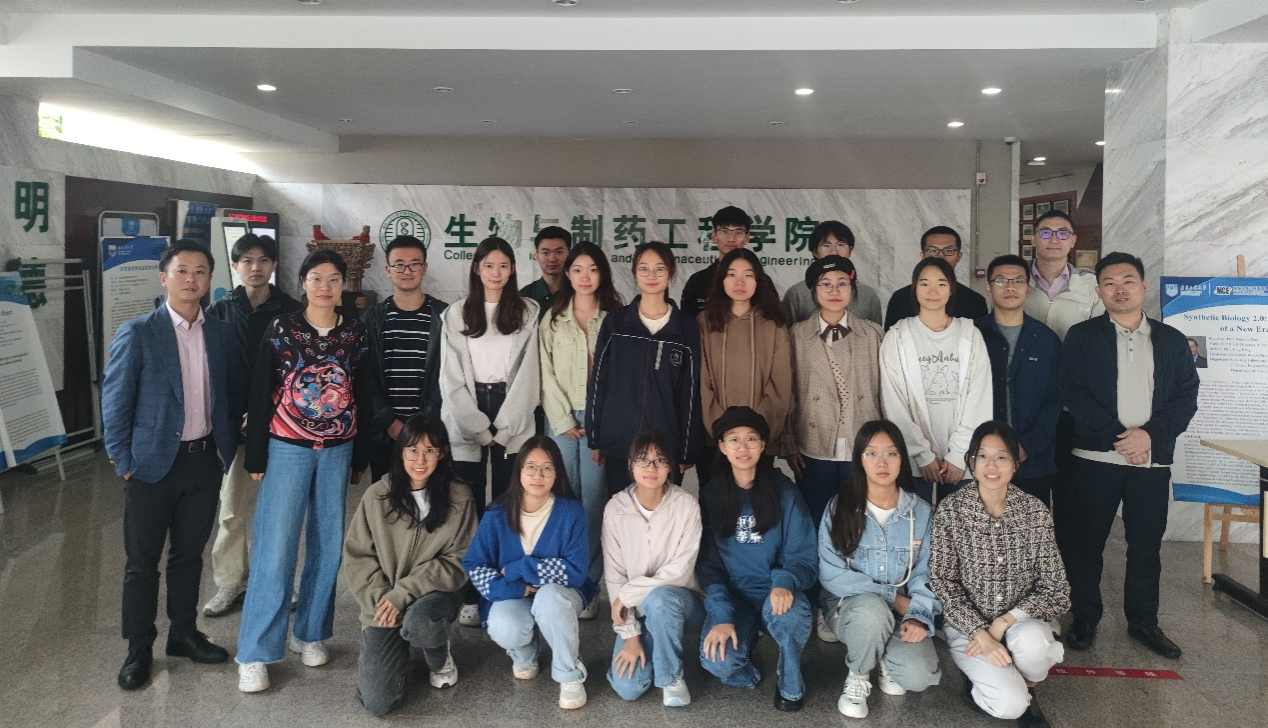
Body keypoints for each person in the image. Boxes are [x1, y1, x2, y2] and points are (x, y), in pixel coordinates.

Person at [103, 239, 244, 691]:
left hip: (204, 462)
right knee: (142, 562)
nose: (191, 279)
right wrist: (123, 460)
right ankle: (138, 646)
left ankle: (183, 633)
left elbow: (232, 395)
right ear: (164, 278)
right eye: (182, 271)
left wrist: (225, 450)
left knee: (188, 556)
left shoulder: (221, 334)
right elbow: (115, 401)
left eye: (200, 271)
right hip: (150, 465)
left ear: (210, 279)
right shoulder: (139, 332)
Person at [236, 249, 374, 693]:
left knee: (327, 544)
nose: (325, 287)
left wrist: (360, 456)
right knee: (275, 547)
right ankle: (256, 651)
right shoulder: (282, 329)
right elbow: (261, 389)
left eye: (334, 279)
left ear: (343, 286)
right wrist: (256, 455)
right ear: (302, 283)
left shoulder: (356, 332)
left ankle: (311, 633)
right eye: (316, 278)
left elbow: (364, 392)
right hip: (287, 448)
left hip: (337, 450)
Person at [1058, 252, 1199, 660]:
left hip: (1151, 463)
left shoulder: (1171, 339)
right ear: (1099, 290)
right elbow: (1072, 392)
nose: (1119, 290)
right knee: (1086, 546)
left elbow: (1186, 396)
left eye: (1128, 281)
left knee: (1146, 547)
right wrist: (1122, 439)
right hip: (1094, 459)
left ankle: (1144, 622)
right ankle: (1085, 618)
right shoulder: (1083, 336)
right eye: (1110, 283)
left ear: (1143, 286)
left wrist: (1149, 436)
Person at [929, 421, 1070, 726]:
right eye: (982, 456)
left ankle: (1028, 682)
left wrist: (1004, 622)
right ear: (971, 462)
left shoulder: (1034, 511)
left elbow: (1056, 588)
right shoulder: (951, 510)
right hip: (968, 628)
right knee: (1010, 705)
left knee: (1033, 645)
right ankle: (982, 684)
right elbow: (943, 582)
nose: (991, 466)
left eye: (1002, 457)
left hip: (1023, 622)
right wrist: (981, 634)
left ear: (1015, 464)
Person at [343, 415, 478, 716]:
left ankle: (438, 655)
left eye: (430, 450)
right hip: (385, 601)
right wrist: (383, 601)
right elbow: (357, 556)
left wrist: (405, 593)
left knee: (421, 620)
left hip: (435, 594)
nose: (420, 459)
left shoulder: (459, 496)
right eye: (412, 449)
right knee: (378, 702)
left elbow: (461, 559)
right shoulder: (377, 495)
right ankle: (404, 641)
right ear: (401, 451)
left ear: (442, 453)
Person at [440, 236, 541, 627]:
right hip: (468, 411)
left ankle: (505, 591)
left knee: (507, 505)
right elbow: (450, 380)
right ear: (476, 269)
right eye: (488, 265)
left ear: (512, 269)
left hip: (512, 410)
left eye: (503, 266)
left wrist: (505, 427)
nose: (495, 273)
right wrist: (481, 430)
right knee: (467, 505)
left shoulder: (527, 312)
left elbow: (529, 375)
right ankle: (469, 593)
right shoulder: (456, 314)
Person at [782, 255, 884, 643]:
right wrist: (789, 442)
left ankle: (855, 601)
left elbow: (883, 393)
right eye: (826, 284)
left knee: (858, 526)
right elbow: (790, 392)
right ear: (813, 291)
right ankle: (819, 604)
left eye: (842, 283)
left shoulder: (872, 334)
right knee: (815, 526)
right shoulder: (796, 335)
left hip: (862, 447)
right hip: (815, 445)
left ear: (853, 289)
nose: (834, 290)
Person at [202, 233, 302, 618]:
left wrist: (266, 411)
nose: (255, 267)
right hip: (233, 427)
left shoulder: (292, 311)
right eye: (246, 260)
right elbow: (212, 371)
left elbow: (298, 372)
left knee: (280, 511)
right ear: (235, 266)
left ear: (274, 264)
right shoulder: (220, 310)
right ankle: (231, 581)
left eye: (263, 260)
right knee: (231, 510)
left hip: (281, 426)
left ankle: (278, 580)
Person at [462, 437, 598, 710]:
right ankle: (525, 652)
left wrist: (520, 568)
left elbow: (574, 571)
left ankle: (569, 673)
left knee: (549, 599)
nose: (538, 475)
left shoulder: (570, 512)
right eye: (531, 467)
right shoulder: (497, 513)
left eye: (547, 468)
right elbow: (475, 563)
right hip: (515, 592)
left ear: (557, 473)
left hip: (561, 593)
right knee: (505, 625)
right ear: (519, 471)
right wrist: (515, 587)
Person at [819, 420, 941, 719]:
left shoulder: (921, 512)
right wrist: (893, 598)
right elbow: (832, 573)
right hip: (850, 610)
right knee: (872, 613)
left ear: (902, 459)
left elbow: (928, 573)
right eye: (871, 453)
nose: (881, 462)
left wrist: (918, 615)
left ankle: (883, 655)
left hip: (902, 614)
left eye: (891, 453)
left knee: (919, 675)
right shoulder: (839, 508)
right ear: (859, 460)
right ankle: (859, 674)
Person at [697, 407, 816, 712]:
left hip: (776, 592)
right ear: (722, 447)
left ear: (763, 445)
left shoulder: (785, 492)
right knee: (718, 661)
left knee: (790, 617)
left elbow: (803, 554)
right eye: (733, 439)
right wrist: (722, 614)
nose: (743, 447)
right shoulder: (711, 495)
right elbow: (709, 566)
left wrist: (784, 582)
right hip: (735, 597)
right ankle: (747, 663)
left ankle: (790, 676)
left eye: (751, 439)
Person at [539, 241, 621, 616]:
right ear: (568, 275)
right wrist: (563, 420)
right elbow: (545, 372)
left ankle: (588, 584)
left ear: (602, 273)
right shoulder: (553, 318)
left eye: (592, 269)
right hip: (561, 417)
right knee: (561, 498)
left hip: (602, 418)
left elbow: (622, 374)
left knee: (594, 501)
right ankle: (562, 579)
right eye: (577, 270)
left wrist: (600, 421)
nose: (584, 277)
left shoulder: (616, 317)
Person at [588, 240, 702, 495]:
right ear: (634, 272)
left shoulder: (685, 327)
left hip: (666, 447)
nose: (651, 276)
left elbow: (691, 392)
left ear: (671, 272)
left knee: (665, 512)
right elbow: (599, 381)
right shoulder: (616, 323)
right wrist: (596, 438)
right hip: (620, 443)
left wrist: (686, 449)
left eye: (659, 269)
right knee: (621, 509)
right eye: (644, 269)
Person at [603, 430, 705, 706]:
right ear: (630, 465)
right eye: (642, 460)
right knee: (629, 688)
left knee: (660, 599)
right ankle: (653, 645)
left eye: (660, 460)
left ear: (670, 467)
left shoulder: (686, 504)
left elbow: (681, 571)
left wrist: (629, 595)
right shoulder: (615, 508)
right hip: (636, 611)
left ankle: (671, 677)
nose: (651, 468)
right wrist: (630, 635)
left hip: (682, 603)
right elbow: (614, 576)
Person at [880, 257, 993, 503]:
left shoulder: (970, 335)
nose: (933, 291)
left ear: (951, 289)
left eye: (941, 284)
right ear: (914, 288)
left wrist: (958, 454)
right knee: (914, 522)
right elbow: (893, 402)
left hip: (961, 460)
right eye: (924, 283)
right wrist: (922, 454)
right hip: (912, 459)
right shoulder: (897, 337)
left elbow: (979, 397)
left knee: (956, 523)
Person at [696, 247, 792, 489]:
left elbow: (780, 386)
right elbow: (702, 383)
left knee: (759, 504)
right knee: (716, 503)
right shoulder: (705, 322)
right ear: (721, 280)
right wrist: (723, 431)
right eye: (731, 274)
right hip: (715, 440)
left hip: (759, 441)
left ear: (758, 280)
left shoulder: (774, 325)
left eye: (748, 275)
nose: (739, 282)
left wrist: (754, 434)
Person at [974, 255, 1063, 505]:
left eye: (1018, 281)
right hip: (982, 459)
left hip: (1033, 460)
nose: (1010, 287)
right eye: (1001, 281)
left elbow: (1054, 400)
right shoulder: (972, 335)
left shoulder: (1047, 340)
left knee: (1030, 525)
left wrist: (1027, 446)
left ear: (1029, 288)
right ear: (989, 288)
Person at [361, 234, 449, 482]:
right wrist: (389, 421)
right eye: (399, 265)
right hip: (384, 433)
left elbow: (449, 374)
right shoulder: (372, 319)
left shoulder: (444, 317)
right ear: (388, 270)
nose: (407, 271)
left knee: (431, 496)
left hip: (430, 433)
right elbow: (364, 376)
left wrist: (422, 425)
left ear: (425, 268)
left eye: (414, 264)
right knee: (386, 494)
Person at [883, 226, 988, 331]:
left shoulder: (974, 301)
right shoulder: (900, 298)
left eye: (948, 251)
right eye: (933, 251)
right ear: (922, 255)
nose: (940, 256)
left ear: (959, 256)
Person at [782, 220, 883, 325]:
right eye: (826, 245)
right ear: (815, 252)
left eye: (840, 245)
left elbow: (876, 333)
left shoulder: (868, 294)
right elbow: (788, 333)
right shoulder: (797, 293)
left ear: (850, 250)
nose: (834, 251)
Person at [1023, 210, 1104, 340]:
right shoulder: (1014, 280)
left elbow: (1099, 335)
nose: (1054, 240)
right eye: (1045, 233)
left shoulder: (1092, 284)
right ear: (1033, 240)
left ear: (1073, 241)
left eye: (1063, 234)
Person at [680, 205, 751, 319]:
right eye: (724, 231)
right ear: (714, 236)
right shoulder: (697, 282)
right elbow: (687, 324)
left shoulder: (761, 281)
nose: (731, 239)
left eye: (738, 232)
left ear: (747, 238)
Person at [520, 226, 572, 320]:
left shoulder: (579, 292)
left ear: (569, 254)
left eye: (559, 252)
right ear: (537, 256)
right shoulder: (525, 296)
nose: (552, 259)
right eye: (545, 253)